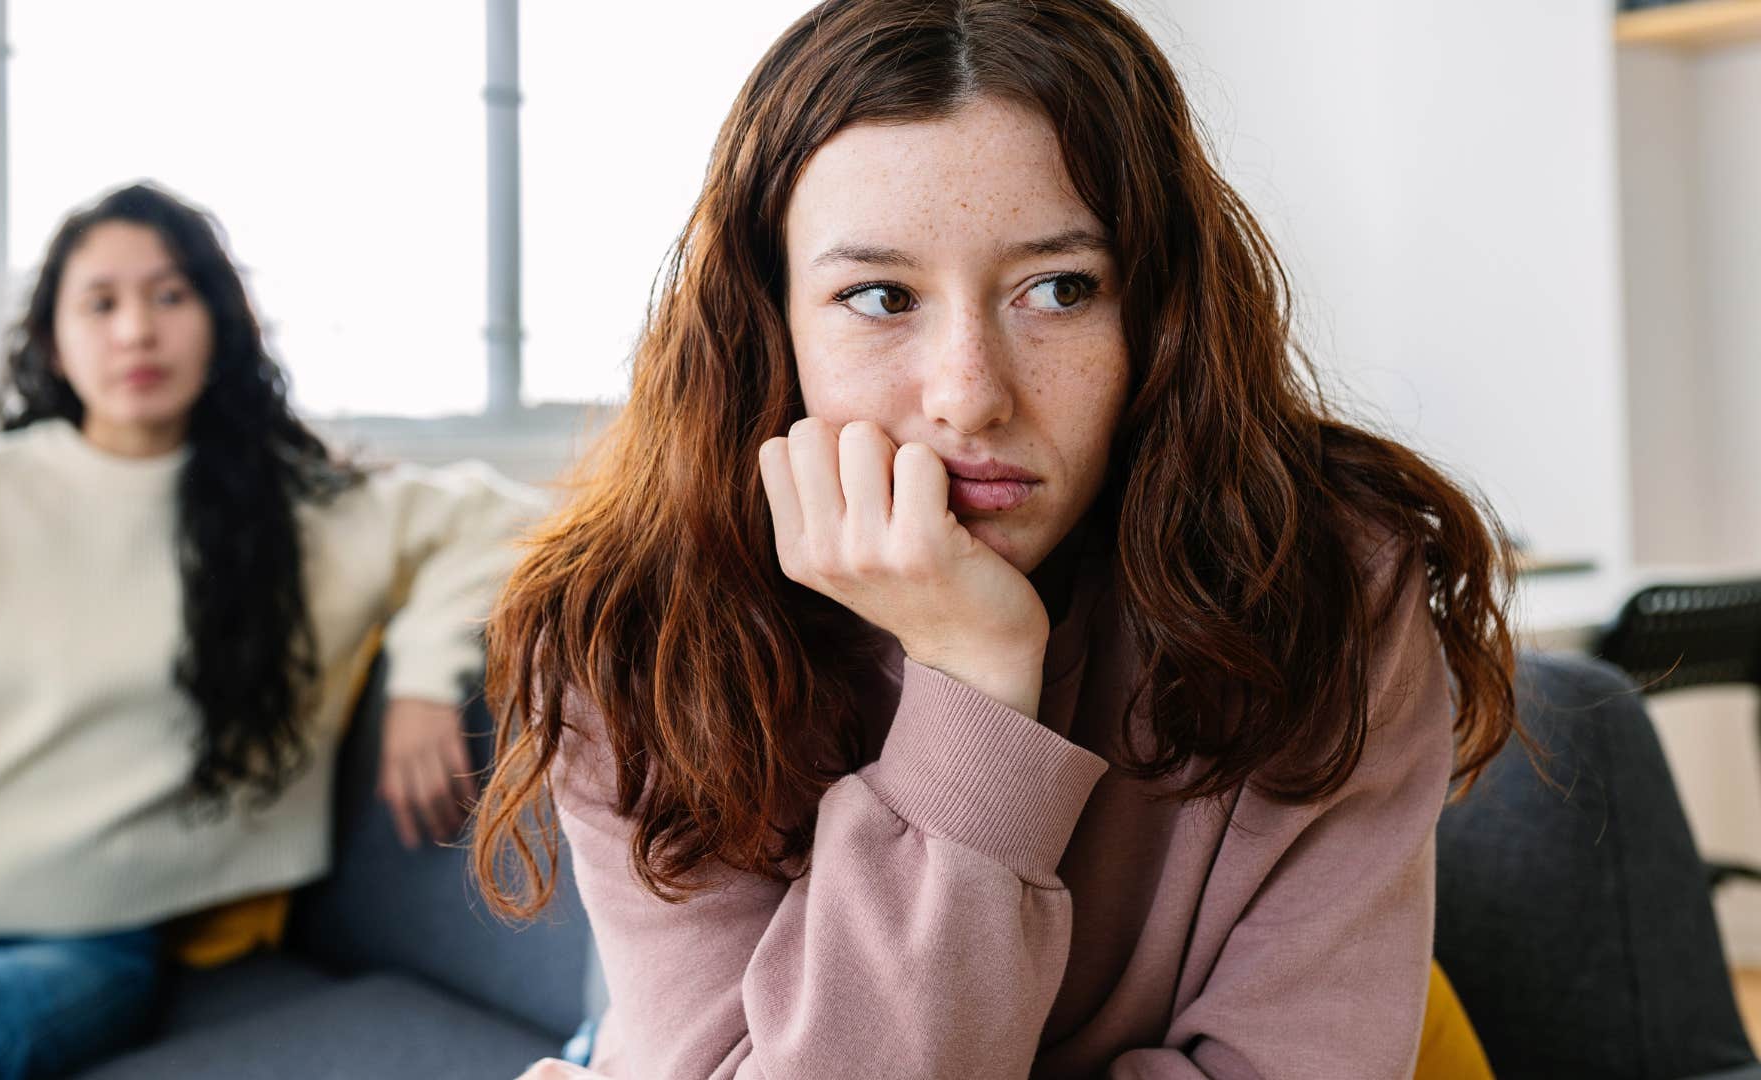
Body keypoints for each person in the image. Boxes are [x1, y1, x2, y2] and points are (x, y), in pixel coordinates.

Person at [473, 2, 1521, 1077]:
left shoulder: (1338, 585)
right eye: (880, 297)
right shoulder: (631, 633)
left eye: (1059, 290)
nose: (969, 396)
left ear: (1159, 311)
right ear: (769, 328)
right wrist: (972, 678)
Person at [0, 182, 541, 1078]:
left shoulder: (301, 509)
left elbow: (499, 519)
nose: (136, 330)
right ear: (54, 339)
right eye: (101, 303)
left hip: (92, 942)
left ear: (220, 320)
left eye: (171, 295)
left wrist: (422, 676)